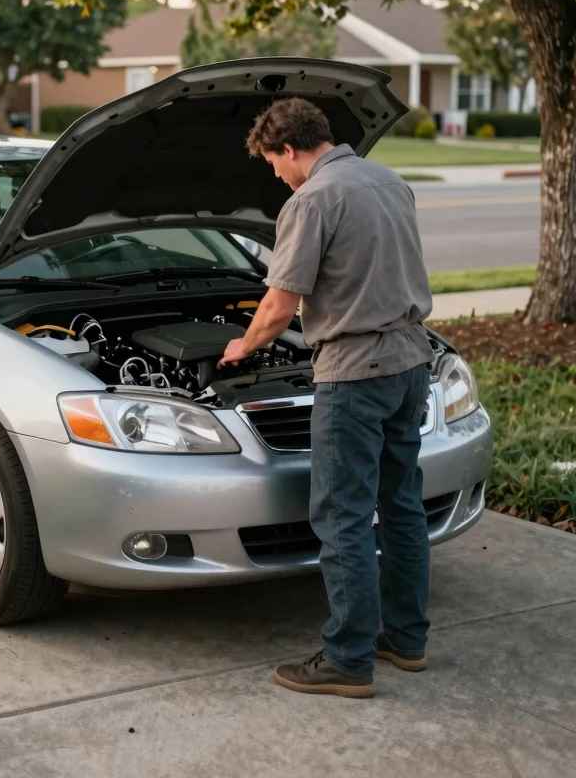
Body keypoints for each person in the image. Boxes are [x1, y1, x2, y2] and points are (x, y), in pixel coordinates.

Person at [219, 96, 434, 699]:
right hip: (411, 361)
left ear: (290, 148)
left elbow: (280, 304)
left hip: (354, 371)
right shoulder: (389, 181)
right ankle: (407, 640)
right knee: (400, 505)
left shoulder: (311, 199)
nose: (276, 175)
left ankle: (347, 659)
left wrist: (243, 347)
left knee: (342, 516)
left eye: (273, 163)